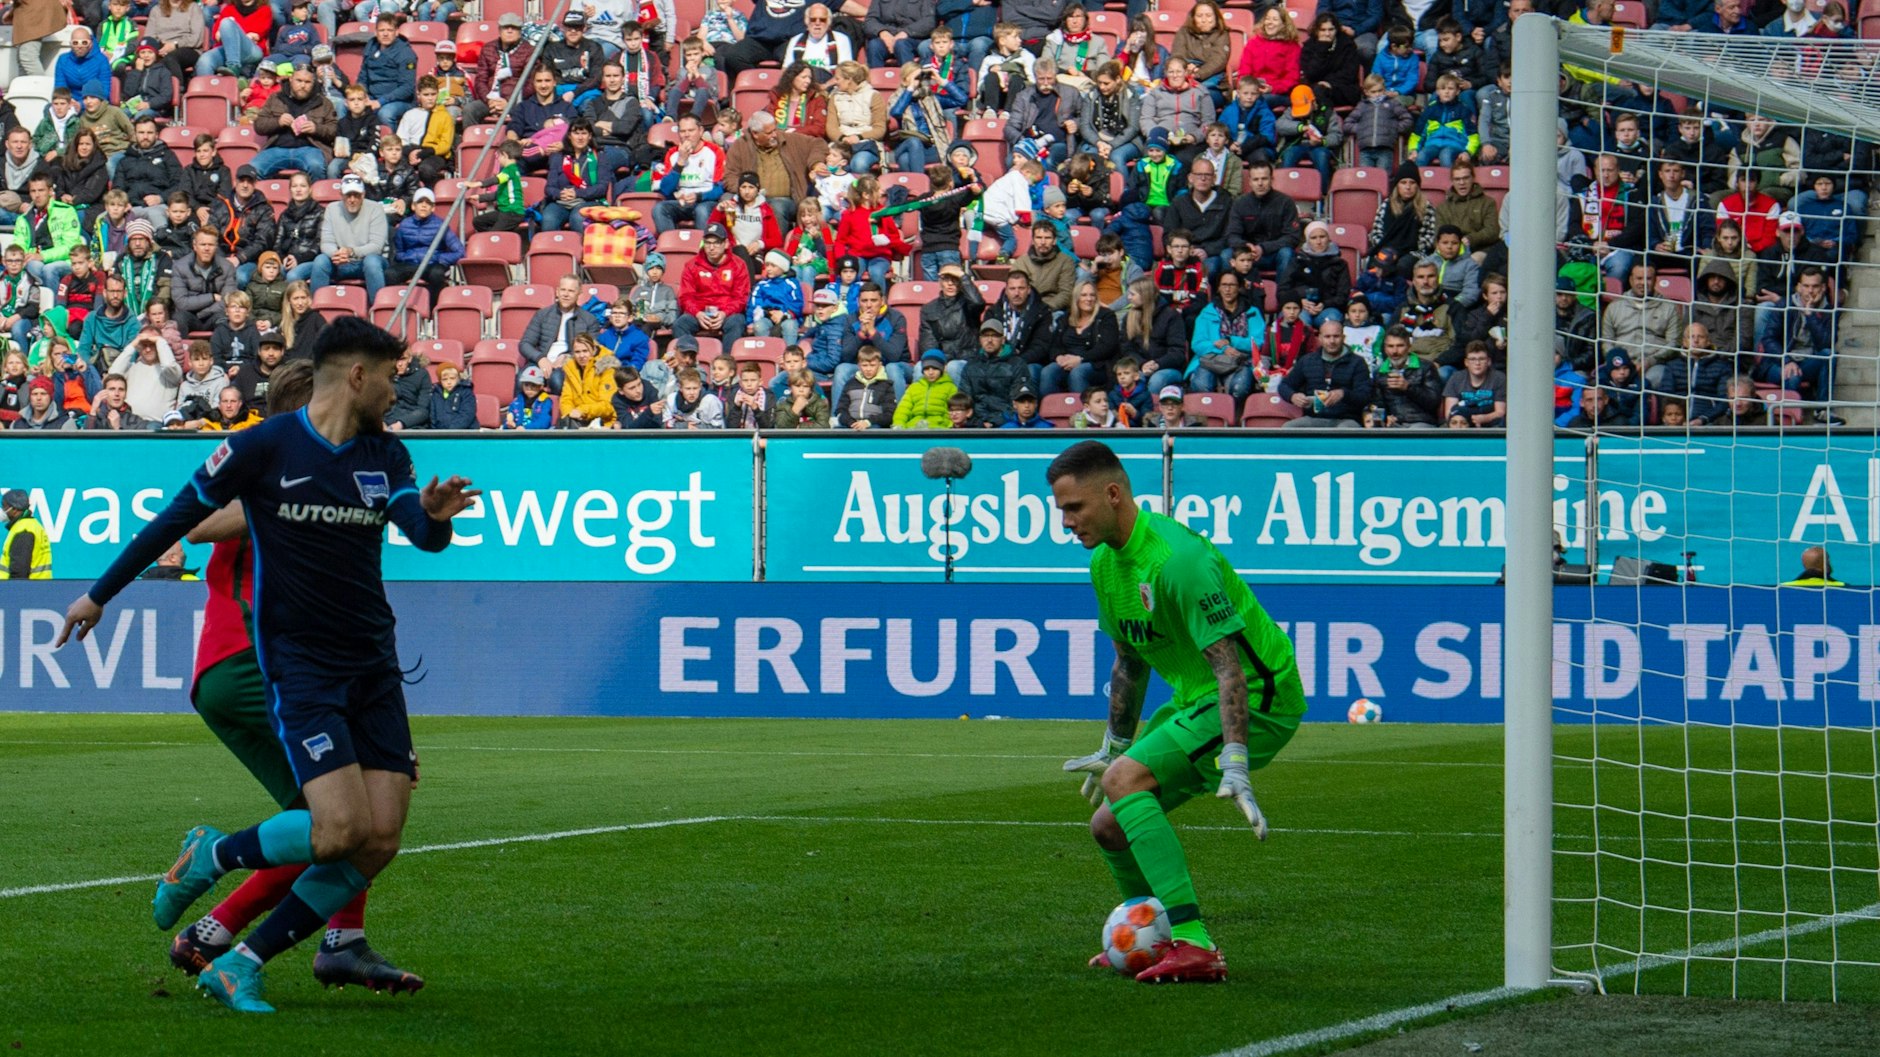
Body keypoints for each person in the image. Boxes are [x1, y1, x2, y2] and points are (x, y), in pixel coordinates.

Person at [58, 321, 474, 1012]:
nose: (400, 391)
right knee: (335, 829)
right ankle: (215, 855)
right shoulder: (260, 448)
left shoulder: (389, 456)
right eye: (392, 377)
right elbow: (176, 519)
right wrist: (99, 593)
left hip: (375, 664)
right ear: (358, 376)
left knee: (380, 840)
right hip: (302, 665)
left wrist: (436, 517)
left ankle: (241, 961)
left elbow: (421, 534)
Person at [1052, 440, 1304, 982]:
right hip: (1195, 699)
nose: (1067, 522)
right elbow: (1129, 663)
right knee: (1108, 826)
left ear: (1113, 493)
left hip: (1261, 696)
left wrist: (1235, 756)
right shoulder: (1105, 564)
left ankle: (1195, 944)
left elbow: (1229, 665)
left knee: (1127, 784)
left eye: (1074, 508)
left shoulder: (1178, 560)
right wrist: (1114, 747)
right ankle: (1148, 936)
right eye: (1061, 511)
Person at [1278, 319, 1371, 428]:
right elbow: (1284, 386)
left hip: (1345, 419)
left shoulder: (1357, 362)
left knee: (1345, 431)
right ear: (1320, 339)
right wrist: (1293, 396)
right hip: (1313, 418)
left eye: (1336, 336)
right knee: (1288, 428)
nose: (1332, 341)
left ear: (1344, 338)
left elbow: (1365, 396)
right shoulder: (1307, 361)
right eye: (1327, 337)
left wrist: (1343, 394)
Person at [311, 174, 389, 301]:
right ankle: (317, 308)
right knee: (320, 261)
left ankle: (377, 310)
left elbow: (376, 246)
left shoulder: (376, 209)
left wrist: (351, 251)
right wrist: (336, 254)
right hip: (340, 262)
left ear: (363, 194)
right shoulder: (332, 209)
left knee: (372, 262)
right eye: (348, 195)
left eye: (356, 195)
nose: (352, 199)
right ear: (341, 194)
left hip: (365, 261)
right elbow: (326, 242)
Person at [674, 224, 752, 342]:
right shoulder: (692, 265)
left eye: (716, 243)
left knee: (736, 322)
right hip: (700, 312)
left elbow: (741, 297)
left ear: (725, 243)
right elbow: (686, 296)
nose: (711, 248)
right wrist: (698, 313)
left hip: (727, 312)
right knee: (680, 324)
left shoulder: (738, 265)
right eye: (708, 243)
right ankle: (690, 359)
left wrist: (724, 313)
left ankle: (726, 360)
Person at [521, 275, 601, 369]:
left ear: (579, 293)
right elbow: (525, 344)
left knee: (556, 379)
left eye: (571, 291)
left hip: (571, 365)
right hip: (540, 363)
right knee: (523, 379)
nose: (566, 294)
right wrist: (540, 358)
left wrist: (568, 357)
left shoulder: (589, 319)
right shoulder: (542, 314)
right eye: (563, 290)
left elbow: (591, 349)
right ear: (557, 292)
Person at [1442, 342, 1509, 427]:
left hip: (1491, 424)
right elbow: (1449, 413)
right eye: (1472, 359)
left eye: (1481, 359)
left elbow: (1500, 412)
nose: (1477, 363)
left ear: (1488, 361)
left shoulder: (1499, 378)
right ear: (1466, 362)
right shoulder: (1456, 378)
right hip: (1463, 425)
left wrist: (1483, 418)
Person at [2, 489, 54, 579]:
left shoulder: (23, 531)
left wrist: (12, 590)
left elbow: (19, 571)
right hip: (39, 588)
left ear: (14, 509)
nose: (2, 510)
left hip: (25, 590)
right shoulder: (34, 525)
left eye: (4, 507)